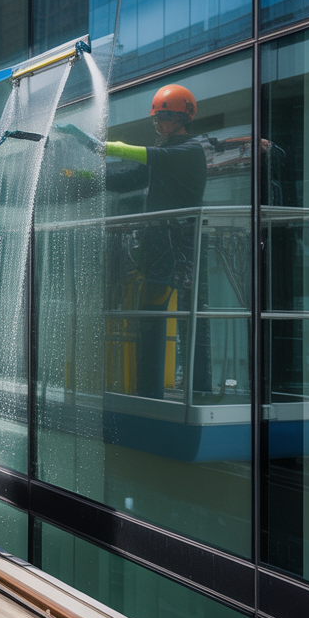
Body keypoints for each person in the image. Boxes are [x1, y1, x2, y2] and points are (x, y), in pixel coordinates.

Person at [62, 84, 208, 399]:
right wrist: (84, 177)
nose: (159, 124)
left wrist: (106, 147)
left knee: (191, 319)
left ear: (184, 119)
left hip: (183, 244)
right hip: (159, 245)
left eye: (165, 117)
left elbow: (149, 155)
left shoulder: (189, 151)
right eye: (157, 119)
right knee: (151, 318)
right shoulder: (166, 156)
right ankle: (148, 392)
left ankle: (198, 389)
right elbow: (127, 177)